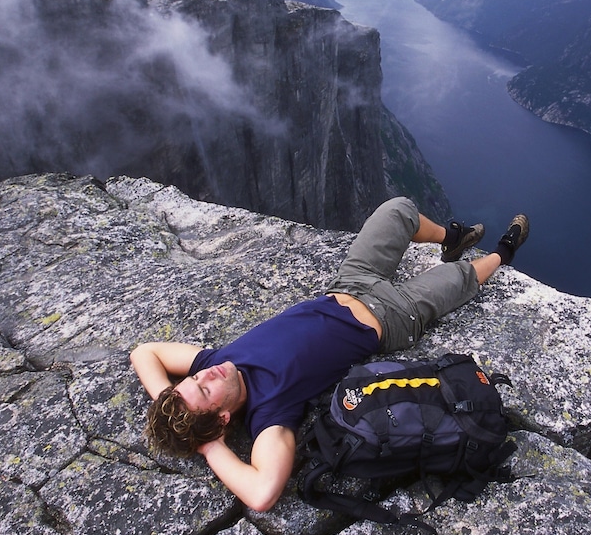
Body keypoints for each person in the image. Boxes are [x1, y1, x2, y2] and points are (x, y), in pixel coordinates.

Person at [130, 197, 529, 512]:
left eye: (193, 379)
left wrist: (173, 403)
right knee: (461, 277)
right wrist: (207, 444)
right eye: (203, 389)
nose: (205, 375)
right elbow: (262, 493)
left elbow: (143, 352)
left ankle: (451, 238)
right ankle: (504, 252)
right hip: (393, 316)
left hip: (351, 280)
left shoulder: (213, 364)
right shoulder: (270, 414)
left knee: (399, 210)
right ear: (221, 419)